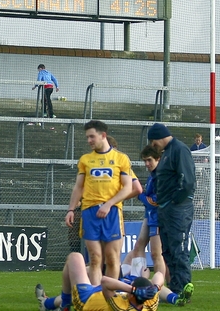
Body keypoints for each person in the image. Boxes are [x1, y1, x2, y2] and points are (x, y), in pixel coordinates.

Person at [65, 120, 133, 285]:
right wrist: (71, 209)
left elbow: (128, 187)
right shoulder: (85, 160)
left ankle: (109, 296)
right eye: (87, 137)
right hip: (90, 212)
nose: (89, 140)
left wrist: (109, 204)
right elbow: (78, 187)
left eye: (92, 137)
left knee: (112, 258)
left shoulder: (121, 159)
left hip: (112, 212)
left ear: (103, 135)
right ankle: (95, 297)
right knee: (95, 258)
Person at [148, 123, 196, 294]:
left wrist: (175, 201)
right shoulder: (167, 152)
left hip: (177, 209)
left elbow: (187, 181)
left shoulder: (179, 150)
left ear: (159, 137)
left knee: (179, 248)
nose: (153, 146)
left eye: (153, 142)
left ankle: (183, 288)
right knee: (168, 250)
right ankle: (175, 287)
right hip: (166, 209)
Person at [35, 252, 161, 311]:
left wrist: (133, 289)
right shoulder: (149, 304)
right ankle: (48, 303)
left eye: (132, 287)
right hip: (98, 292)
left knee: (75, 258)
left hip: (86, 301)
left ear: (133, 292)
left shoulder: (121, 308)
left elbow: (105, 281)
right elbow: (159, 274)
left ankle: (63, 306)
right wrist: (155, 288)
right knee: (90, 268)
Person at [131, 145, 165, 276]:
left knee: (157, 254)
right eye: (145, 160)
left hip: (157, 217)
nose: (147, 164)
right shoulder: (152, 175)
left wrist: (139, 194)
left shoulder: (160, 176)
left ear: (158, 159)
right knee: (138, 247)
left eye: (149, 160)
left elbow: (154, 202)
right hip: (150, 216)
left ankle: (158, 288)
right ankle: (137, 283)